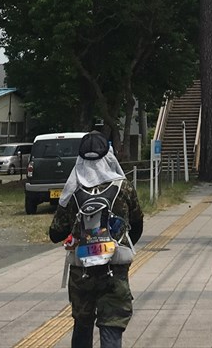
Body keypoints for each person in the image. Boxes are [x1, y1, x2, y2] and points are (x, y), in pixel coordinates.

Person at [48, 129, 143, 348]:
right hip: (114, 270)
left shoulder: (73, 189)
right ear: (109, 156)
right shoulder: (123, 187)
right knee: (111, 326)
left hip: (81, 272)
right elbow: (137, 226)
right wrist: (116, 246)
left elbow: (55, 233)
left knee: (82, 325)